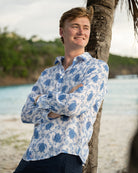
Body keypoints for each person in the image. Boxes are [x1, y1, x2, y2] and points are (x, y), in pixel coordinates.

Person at [13, 6, 109, 173]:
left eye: (85, 27)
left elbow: (73, 106)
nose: (81, 31)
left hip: (67, 154)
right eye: (75, 26)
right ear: (62, 32)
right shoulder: (47, 74)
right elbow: (26, 114)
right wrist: (53, 111)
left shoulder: (97, 68)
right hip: (33, 154)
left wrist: (41, 100)